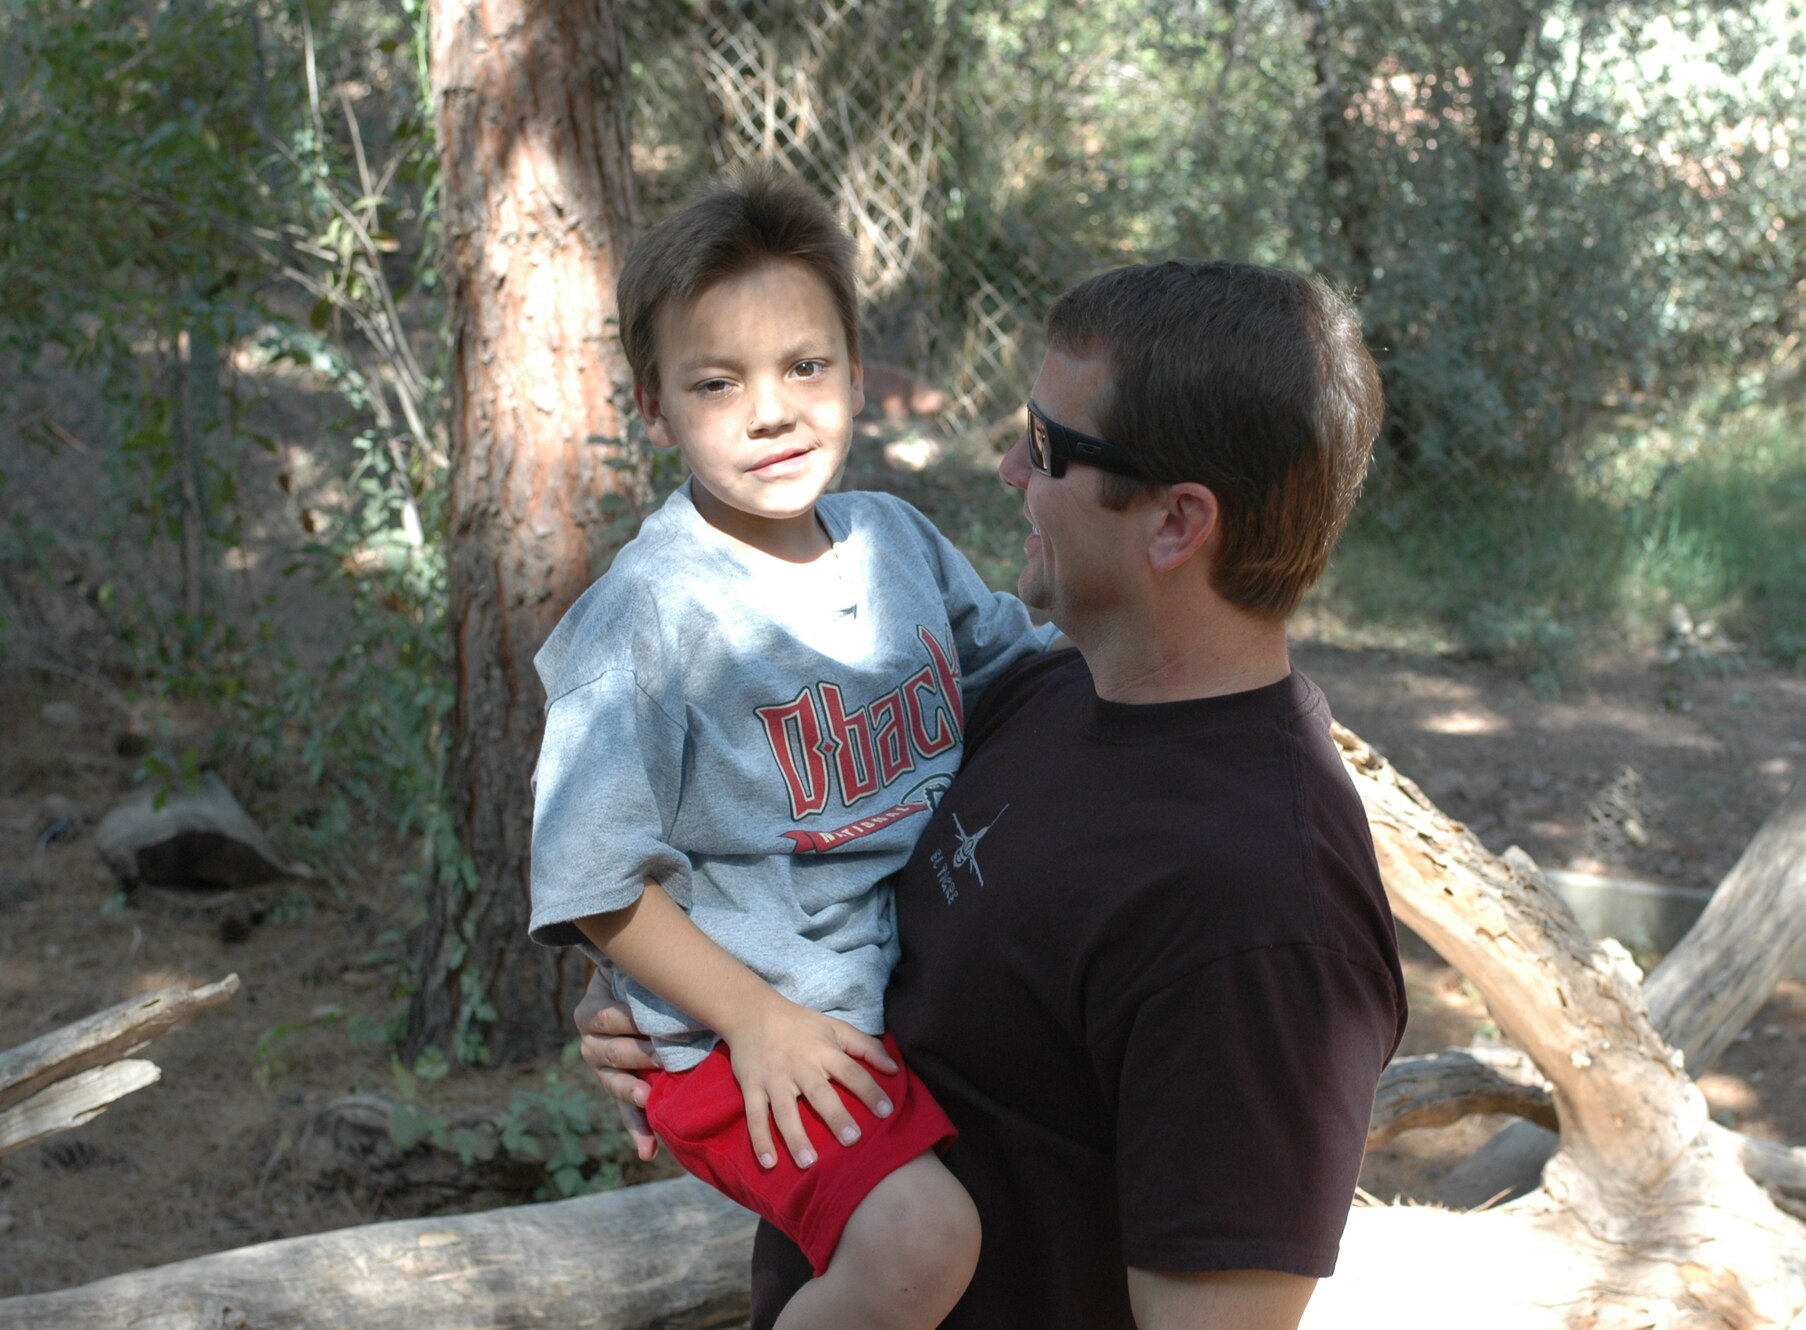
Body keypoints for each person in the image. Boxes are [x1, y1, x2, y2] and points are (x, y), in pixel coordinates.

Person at [579, 258, 1408, 1329]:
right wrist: (671, 999)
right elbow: (803, 869)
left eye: (1051, 446)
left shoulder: (1258, 914)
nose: (1012, 465)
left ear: (1174, 522)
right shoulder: (1040, 693)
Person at [528, 171, 1055, 1330]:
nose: (771, 410)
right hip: (740, 1030)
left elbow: (1032, 670)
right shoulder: (647, 620)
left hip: (869, 1001)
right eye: (717, 383)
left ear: (858, 374)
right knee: (922, 1242)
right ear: (651, 404)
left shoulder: (897, 543)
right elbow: (588, 880)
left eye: (804, 366)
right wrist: (753, 1019)